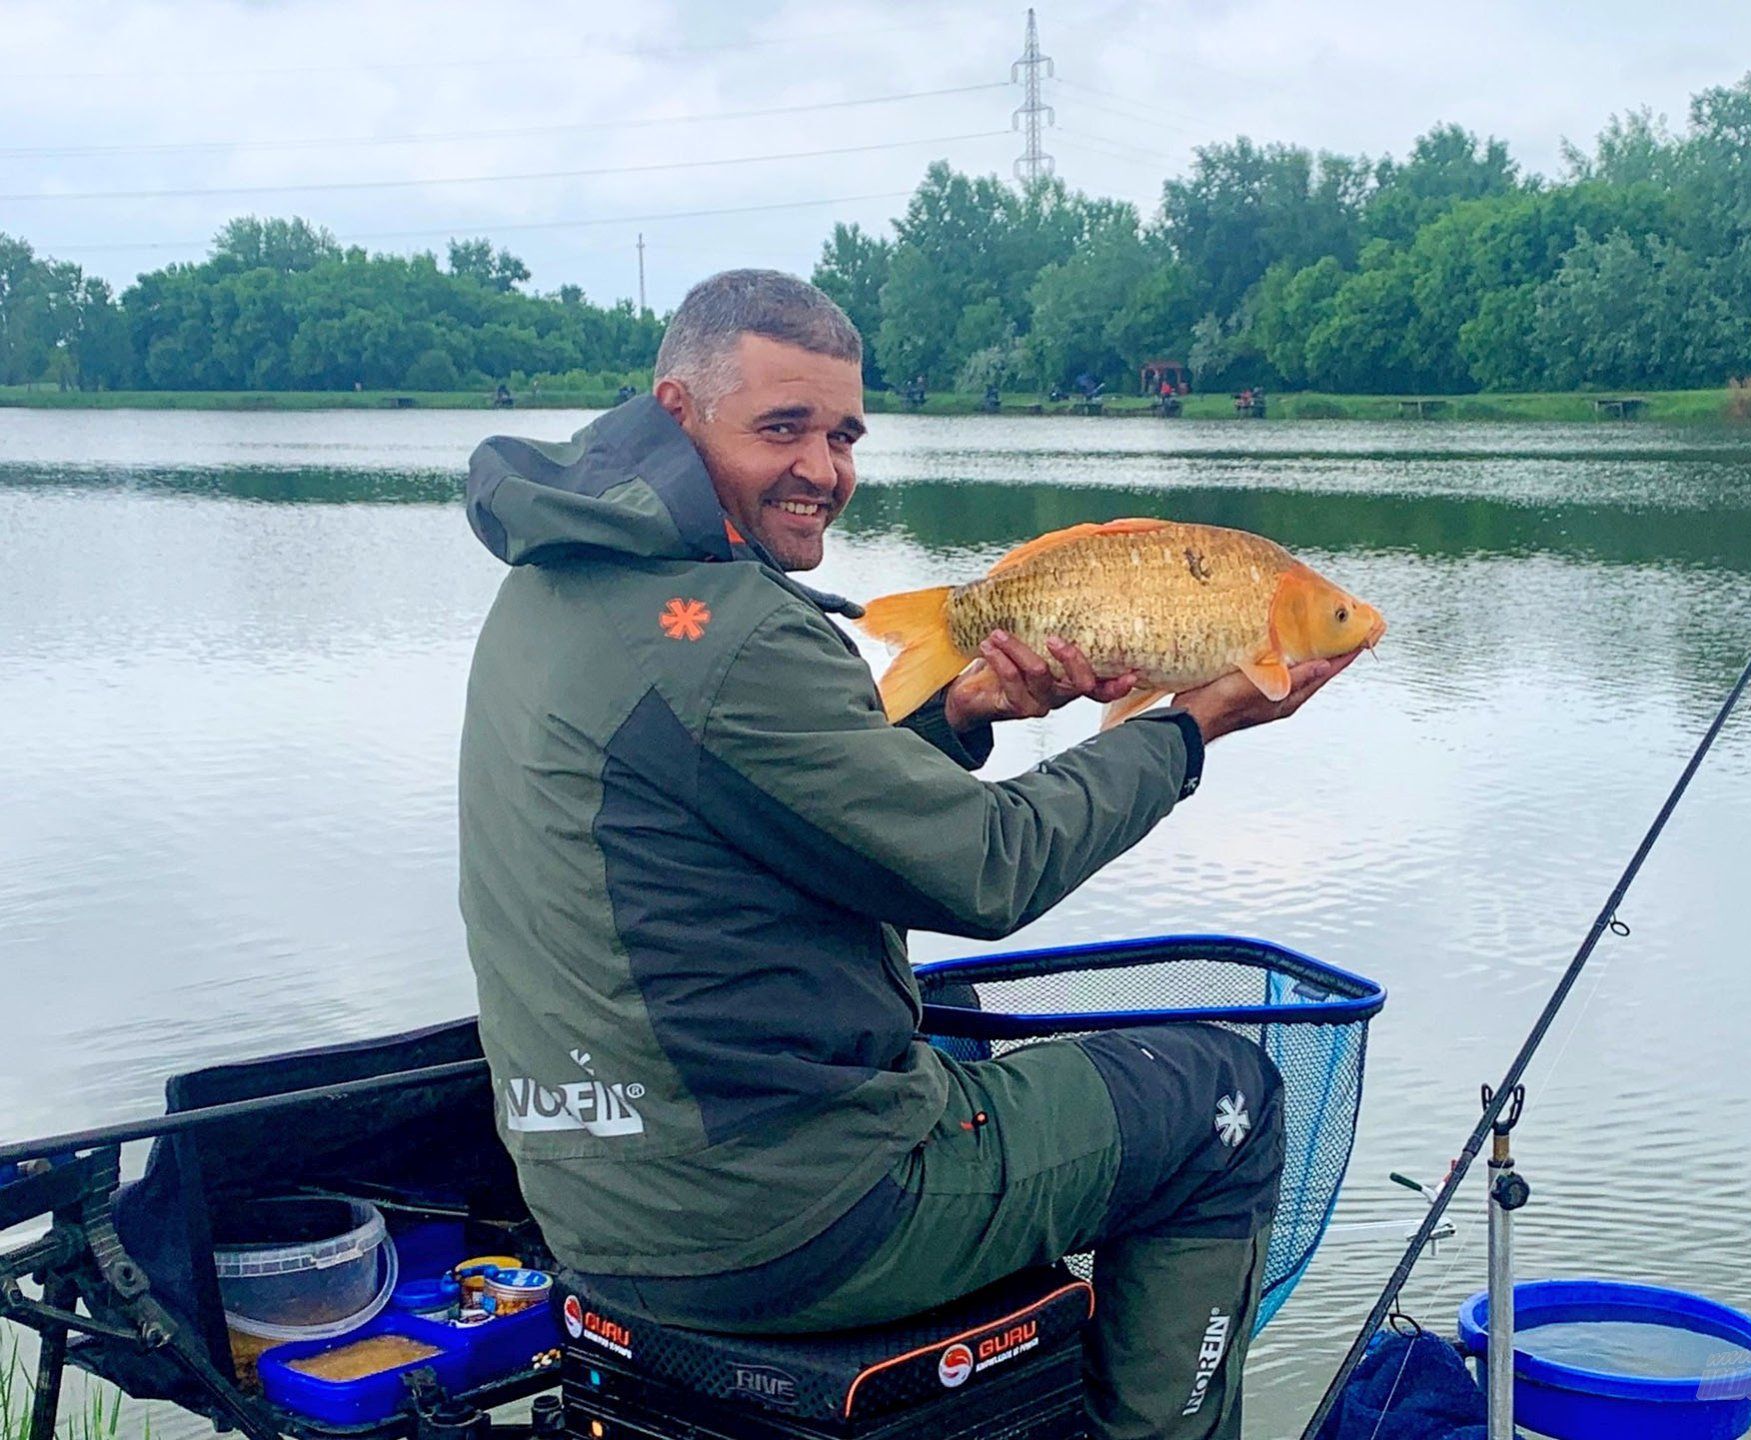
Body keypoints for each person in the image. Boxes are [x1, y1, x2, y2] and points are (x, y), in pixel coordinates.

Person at [459, 270, 1359, 1440]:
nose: (823, 471)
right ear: (677, 409)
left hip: (600, 1193)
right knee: (1219, 1098)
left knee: (966, 1020)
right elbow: (988, 872)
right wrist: (1183, 730)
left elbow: (774, 804)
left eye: (842, 434)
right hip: (781, 1216)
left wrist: (961, 712)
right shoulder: (728, 633)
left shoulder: (559, 584)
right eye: (781, 428)